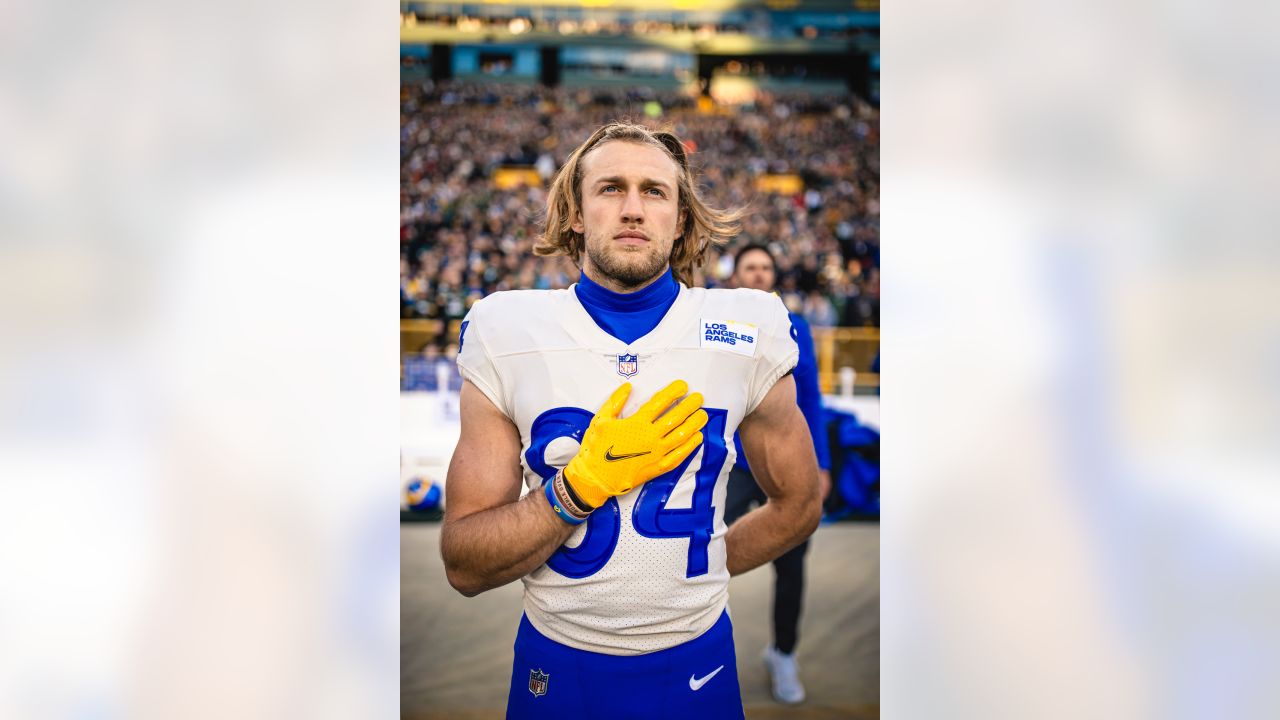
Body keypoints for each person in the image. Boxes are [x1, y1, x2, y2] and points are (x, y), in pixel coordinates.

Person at [441, 121, 823, 719]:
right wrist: (577, 489)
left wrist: (701, 570)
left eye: (655, 191)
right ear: (575, 212)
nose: (633, 208)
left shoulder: (748, 328)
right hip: (557, 663)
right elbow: (464, 562)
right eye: (611, 187)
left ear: (681, 218)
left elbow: (799, 503)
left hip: (698, 660)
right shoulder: (505, 331)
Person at [725, 243, 832, 705]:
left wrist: (821, 464)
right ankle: (687, 641)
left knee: (792, 563)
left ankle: (783, 652)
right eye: (751, 266)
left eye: (766, 267)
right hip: (730, 461)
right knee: (693, 550)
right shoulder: (713, 317)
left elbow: (811, 397)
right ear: (735, 275)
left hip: (784, 459)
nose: (759, 273)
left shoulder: (796, 327)